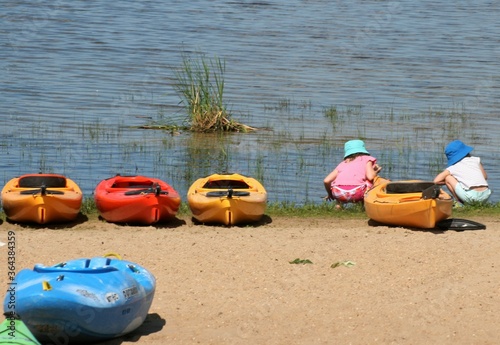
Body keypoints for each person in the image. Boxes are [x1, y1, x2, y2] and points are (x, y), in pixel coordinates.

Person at [323, 139, 382, 208]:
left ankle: (338, 206)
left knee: (338, 184)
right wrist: (375, 172)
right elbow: (371, 177)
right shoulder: (367, 159)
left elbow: (326, 180)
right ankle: (362, 207)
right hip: (356, 193)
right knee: (369, 182)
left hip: (338, 193)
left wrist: (330, 194)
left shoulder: (343, 163)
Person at [434, 140, 491, 205]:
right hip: (486, 195)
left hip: (471, 196)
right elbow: (485, 177)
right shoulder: (476, 160)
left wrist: (450, 182)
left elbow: (436, 181)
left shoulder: (453, 167)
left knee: (448, 178)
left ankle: (459, 203)